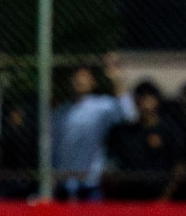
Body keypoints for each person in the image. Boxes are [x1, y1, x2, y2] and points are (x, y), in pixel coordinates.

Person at [52, 61, 134, 201]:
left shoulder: (102, 105)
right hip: (63, 184)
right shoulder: (61, 112)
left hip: (90, 184)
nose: (79, 80)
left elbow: (129, 114)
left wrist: (117, 79)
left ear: (93, 82)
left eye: (84, 76)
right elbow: (53, 146)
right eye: (76, 76)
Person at [104, 81, 186, 200]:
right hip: (129, 200)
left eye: (148, 96)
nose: (144, 101)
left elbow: (180, 167)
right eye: (140, 97)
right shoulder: (125, 132)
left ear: (157, 100)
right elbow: (113, 164)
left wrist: (165, 198)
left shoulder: (170, 131)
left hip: (160, 199)